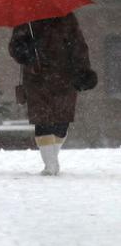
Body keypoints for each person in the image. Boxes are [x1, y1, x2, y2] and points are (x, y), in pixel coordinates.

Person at [9, 12, 97, 176]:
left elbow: (79, 46)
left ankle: (52, 159)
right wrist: (26, 50)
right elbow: (14, 47)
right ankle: (50, 165)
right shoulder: (26, 19)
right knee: (42, 120)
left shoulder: (67, 18)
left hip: (64, 78)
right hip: (37, 78)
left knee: (61, 122)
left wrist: (83, 71)